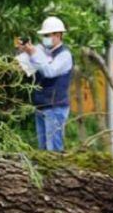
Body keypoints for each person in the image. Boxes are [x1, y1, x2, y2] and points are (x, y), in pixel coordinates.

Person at [16, 16, 74, 152]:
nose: (45, 38)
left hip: (55, 107)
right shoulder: (42, 51)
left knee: (53, 150)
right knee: (42, 150)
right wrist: (23, 52)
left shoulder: (64, 55)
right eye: (44, 35)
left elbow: (49, 71)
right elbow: (26, 68)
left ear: (58, 35)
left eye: (47, 35)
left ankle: (59, 173)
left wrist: (33, 53)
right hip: (41, 105)